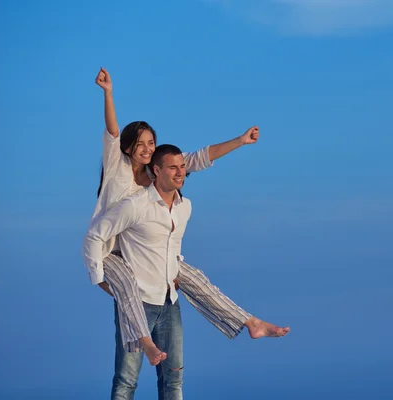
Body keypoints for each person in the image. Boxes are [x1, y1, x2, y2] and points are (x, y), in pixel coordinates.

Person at [84, 68, 289, 368]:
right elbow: (113, 132)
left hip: (140, 251)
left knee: (195, 278)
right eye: (139, 144)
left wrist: (241, 141)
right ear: (128, 148)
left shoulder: (155, 175)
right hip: (109, 250)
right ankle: (147, 344)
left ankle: (250, 322)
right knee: (127, 284)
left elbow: (197, 159)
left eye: (150, 143)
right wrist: (108, 93)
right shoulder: (117, 164)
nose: (146, 149)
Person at [85, 145, 205, 398]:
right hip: (136, 301)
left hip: (169, 300)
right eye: (173, 167)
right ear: (156, 170)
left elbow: (171, 247)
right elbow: (96, 235)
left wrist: (174, 269)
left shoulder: (186, 207)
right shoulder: (135, 205)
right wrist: (98, 279)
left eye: (182, 167)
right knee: (126, 381)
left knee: (174, 379)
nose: (180, 172)